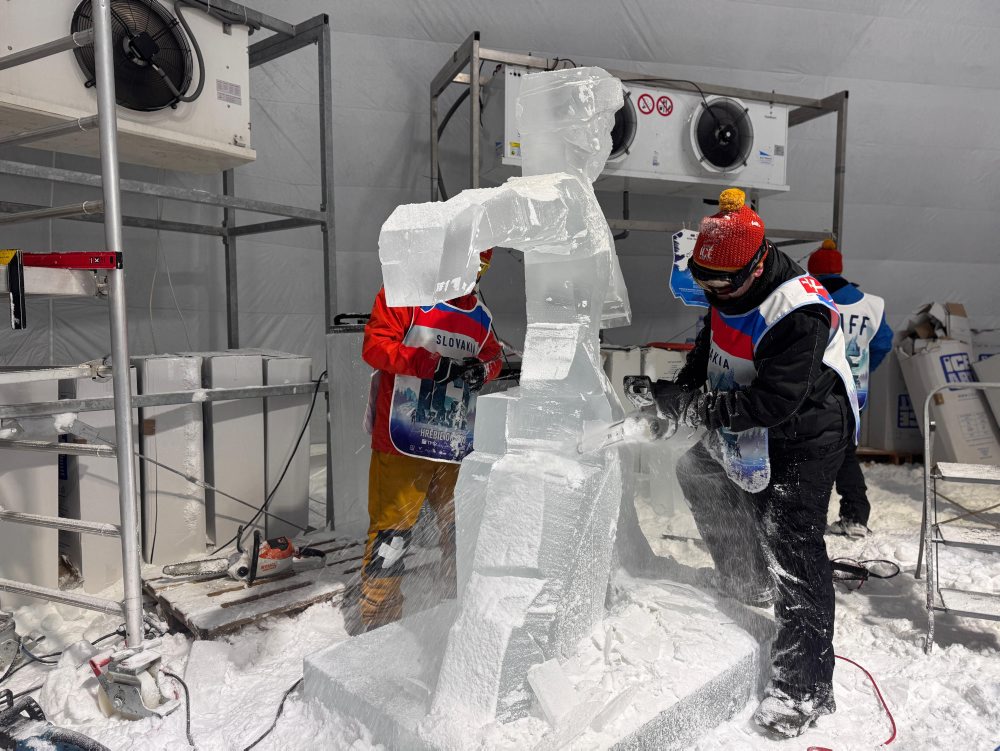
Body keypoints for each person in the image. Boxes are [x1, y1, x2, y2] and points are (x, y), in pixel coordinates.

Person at [647, 189, 860, 738]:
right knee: (697, 469)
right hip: (747, 416)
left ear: (758, 261)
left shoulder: (799, 310)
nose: (712, 291)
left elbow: (775, 401)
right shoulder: (725, 283)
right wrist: (680, 393)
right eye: (704, 279)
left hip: (806, 431)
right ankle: (745, 581)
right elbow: (710, 346)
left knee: (791, 543)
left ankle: (803, 688)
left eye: (723, 282)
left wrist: (698, 408)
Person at [360, 249, 502, 630]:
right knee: (392, 534)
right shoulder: (406, 297)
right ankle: (380, 620)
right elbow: (375, 345)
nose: (474, 275)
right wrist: (430, 364)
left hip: (453, 443)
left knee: (459, 528)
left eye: (481, 268)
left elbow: (495, 357)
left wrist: (483, 371)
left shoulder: (480, 316)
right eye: (471, 264)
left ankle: (454, 605)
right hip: (401, 438)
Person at [808, 239, 893, 538]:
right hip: (855, 393)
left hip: (814, 393)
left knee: (809, 454)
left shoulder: (811, 299)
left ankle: (809, 520)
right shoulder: (871, 304)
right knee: (845, 454)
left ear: (813, 272)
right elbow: (883, 343)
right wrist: (863, 369)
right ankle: (855, 515)